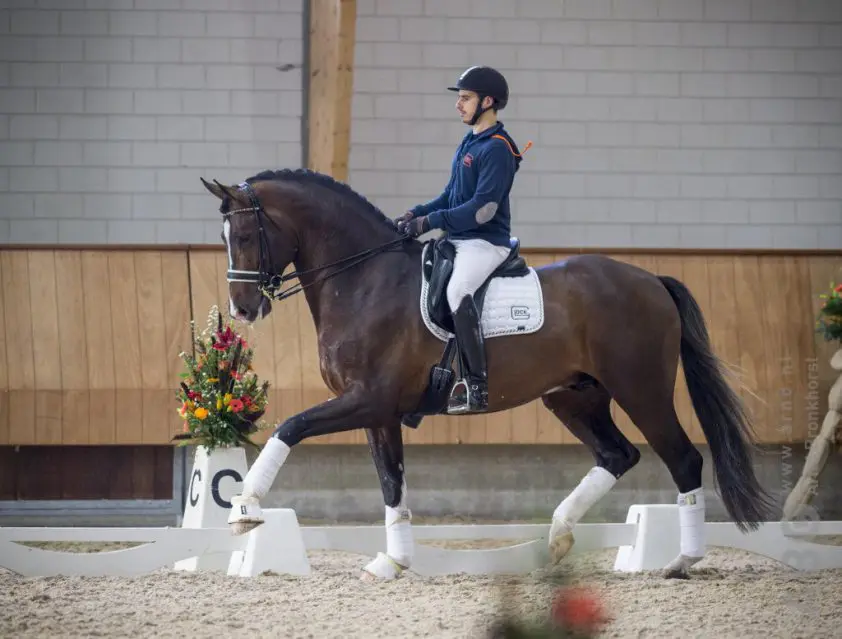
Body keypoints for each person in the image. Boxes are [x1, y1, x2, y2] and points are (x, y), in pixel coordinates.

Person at [395, 65, 530, 415]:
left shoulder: (498, 148)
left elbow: (482, 210)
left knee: (458, 292)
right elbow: (451, 196)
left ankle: (476, 384)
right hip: (459, 238)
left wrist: (432, 221)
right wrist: (416, 213)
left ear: (488, 101)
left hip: (486, 242)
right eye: (459, 98)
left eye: (465, 98)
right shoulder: (471, 142)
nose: (459, 104)